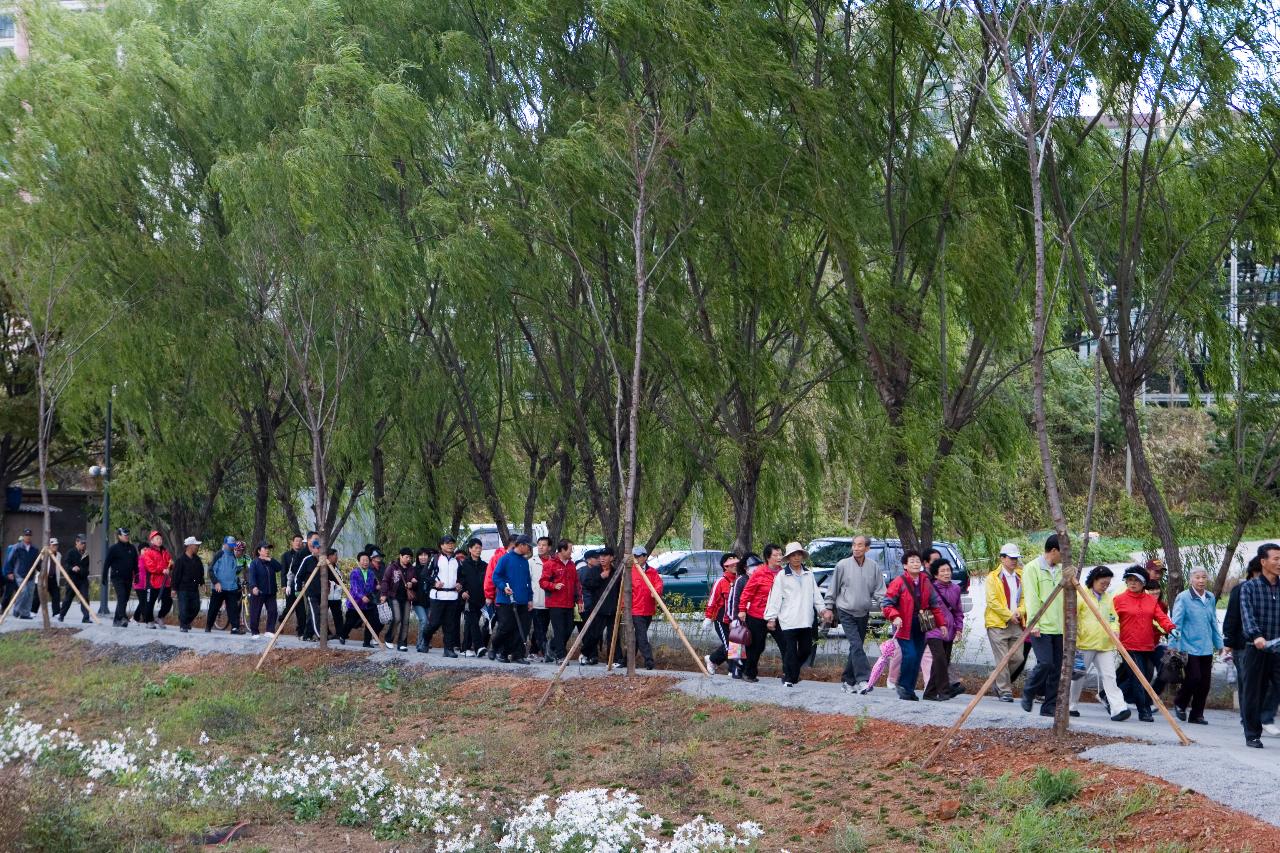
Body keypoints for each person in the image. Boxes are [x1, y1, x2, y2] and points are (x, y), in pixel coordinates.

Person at [882, 550, 948, 701]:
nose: (915, 564)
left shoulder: (925, 581)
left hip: (921, 625)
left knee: (917, 657)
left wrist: (941, 624)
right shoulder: (899, 582)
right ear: (905, 565)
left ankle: (909, 690)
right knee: (910, 655)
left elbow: (934, 605)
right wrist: (895, 616)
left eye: (917, 561)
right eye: (911, 561)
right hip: (903, 625)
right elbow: (886, 604)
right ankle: (904, 685)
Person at [1113, 565, 1175, 723]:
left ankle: (1110, 697)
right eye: (1130, 580)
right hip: (1128, 645)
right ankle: (1144, 710)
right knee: (1138, 677)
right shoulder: (1119, 600)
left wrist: (1171, 628)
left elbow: (1161, 617)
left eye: (1136, 580)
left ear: (1143, 583)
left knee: (1145, 676)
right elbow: (1110, 619)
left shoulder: (1150, 600)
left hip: (1147, 645)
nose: (1132, 583)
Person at [1067, 566, 1130, 721]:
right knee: (1078, 676)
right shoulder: (1081, 595)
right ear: (1094, 580)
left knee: (1110, 676)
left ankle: (1118, 708)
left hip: (1105, 644)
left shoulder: (1108, 598)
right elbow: (1071, 617)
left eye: (1108, 584)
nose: (1105, 586)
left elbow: (1113, 617)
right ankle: (1070, 705)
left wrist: (1115, 629)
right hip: (1084, 644)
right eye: (1103, 583)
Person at [824, 535, 885, 694]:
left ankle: (847, 681)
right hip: (845, 611)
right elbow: (833, 588)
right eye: (854, 545)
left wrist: (884, 606)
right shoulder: (842, 565)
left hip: (863, 612)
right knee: (857, 645)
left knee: (855, 647)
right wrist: (829, 607)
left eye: (860, 545)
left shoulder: (874, 567)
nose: (856, 548)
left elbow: (880, 591)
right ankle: (864, 679)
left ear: (867, 548)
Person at [764, 543, 830, 687]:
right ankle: (789, 678)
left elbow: (816, 596)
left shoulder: (808, 574)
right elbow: (775, 597)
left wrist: (822, 610)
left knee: (806, 650)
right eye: (793, 555)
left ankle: (791, 673)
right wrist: (771, 618)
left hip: (806, 619)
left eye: (799, 554)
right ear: (788, 558)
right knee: (791, 652)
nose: (796, 557)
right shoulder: (782, 575)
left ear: (802, 556)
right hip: (788, 620)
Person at [1238, 543, 1280, 748]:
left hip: (1278, 649)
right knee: (1253, 692)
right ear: (1263, 562)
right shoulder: (1249, 588)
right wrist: (1256, 636)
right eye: (1276, 559)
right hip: (1257, 649)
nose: (1279, 563)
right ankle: (1253, 734)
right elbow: (1247, 615)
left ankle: (1267, 716)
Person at [1169, 567, 1221, 725]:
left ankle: (1197, 714)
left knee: (1205, 683)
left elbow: (1213, 622)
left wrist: (1219, 644)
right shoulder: (1184, 597)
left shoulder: (1210, 597)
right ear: (1191, 579)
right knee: (1194, 677)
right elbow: (1176, 623)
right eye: (1197, 577)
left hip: (1206, 647)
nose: (1201, 581)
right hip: (1188, 646)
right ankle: (1180, 702)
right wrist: (1173, 645)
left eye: (1204, 577)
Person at [1020, 535, 1065, 717]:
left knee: (1056, 669)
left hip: (1059, 627)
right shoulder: (1032, 568)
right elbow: (1031, 598)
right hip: (1041, 626)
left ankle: (1049, 706)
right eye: (1062, 552)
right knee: (1045, 663)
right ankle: (1029, 691)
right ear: (1053, 551)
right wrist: (1034, 623)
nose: (1064, 556)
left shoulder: (1062, 570)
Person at [1224, 556, 1267, 731]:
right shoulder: (1241, 590)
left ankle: (1258, 716)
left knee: (1264, 683)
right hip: (1243, 646)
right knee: (1247, 683)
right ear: (1256, 571)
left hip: (1267, 646)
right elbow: (1231, 618)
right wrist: (1229, 643)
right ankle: (1248, 720)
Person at [985, 543, 1026, 702]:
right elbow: (993, 602)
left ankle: (995, 678)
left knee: (1018, 658)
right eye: (1011, 558)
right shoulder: (992, 578)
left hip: (1016, 623)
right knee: (1003, 659)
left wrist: (1020, 611)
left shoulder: (1021, 576)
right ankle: (1004, 691)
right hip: (997, 624)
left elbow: (1025, 598)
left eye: (1016, 558)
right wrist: (1009, 615)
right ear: (1002, 558)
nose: (1014, 561)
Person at [739, 544, 784, 683]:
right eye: (775, 555)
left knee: (785, 644)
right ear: (767, 558)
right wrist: (742, 610)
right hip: (757, 615)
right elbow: (747, 592)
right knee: (757, 646)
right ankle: (749, 673)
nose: (779, 558)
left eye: (780, 555)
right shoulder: (759, 572)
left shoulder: (783, 573)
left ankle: (790, 673)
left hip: (776, 616)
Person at [923, 557, 965, 701]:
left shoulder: (956, 588)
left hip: (950, 630)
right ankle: (945, 691)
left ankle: (929, 693)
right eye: (943, 571)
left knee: (942, 661)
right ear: (935, 574)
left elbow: (958, 611)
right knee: (939, 658)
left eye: (948, 570)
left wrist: (959, 628)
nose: (947, 573)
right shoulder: (929, 589)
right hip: (933, 629)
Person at [490, 534, 534, 664]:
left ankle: (517, 654)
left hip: (523, 600)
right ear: (521, 545)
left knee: (522, 628)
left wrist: (530, 598)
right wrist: (504, 587)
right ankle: (496, 648)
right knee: (506, 627)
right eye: (528, 546)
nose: (530, 549)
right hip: (506, 600)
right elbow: (496, 576)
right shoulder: (505, 559)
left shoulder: (525, 561)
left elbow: (527, 581)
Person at [422, 536, 462, 656]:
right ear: (441, 545)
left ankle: (448, 649)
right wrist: (434, 583)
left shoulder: (457, 560)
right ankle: (426, 639)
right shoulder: (435, 558)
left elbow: (462, 576)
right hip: (438, 596)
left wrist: (460, 584)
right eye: (447, 543)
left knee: (450, 624)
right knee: (434, 623)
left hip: (452, 596)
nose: (450, 545)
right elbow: (424, 574)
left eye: (452, 543)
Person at [704, 554, 744, 676]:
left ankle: (712, 660)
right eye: (731, 565)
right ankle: (733, 671)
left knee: (736, 645)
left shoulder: (740, 580)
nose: (735, 566)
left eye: (736, 564)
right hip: (722, 620)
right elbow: (712, 600)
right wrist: (708, 617)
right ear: (725, 567)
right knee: (730, 647)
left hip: (736, 620)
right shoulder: (720, 582)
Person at [540, 538, 578, 664]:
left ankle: (551, 646)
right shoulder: (550, 564)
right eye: (570, 549)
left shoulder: (572, 564)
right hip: (555, 603)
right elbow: (543, 582)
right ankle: (560, 656)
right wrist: (553, 586)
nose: (571, 552)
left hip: (569, 603)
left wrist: (579, 600)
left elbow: (577, 583)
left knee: (568, 630)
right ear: (562, 550)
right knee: (559, 630)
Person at [579, 546, 619, 665]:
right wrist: (600, 578)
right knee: (594, 634)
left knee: (613, 635)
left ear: (611, 557)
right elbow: (586, 584)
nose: (602, 558)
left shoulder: (616, 571)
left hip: (612, 608)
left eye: (605, 556)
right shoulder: (594, 570)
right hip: (598, 608)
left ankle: (614, 660)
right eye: (600, 556)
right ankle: (585, 653)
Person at [627, 545, 664, 670]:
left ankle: (628, 659)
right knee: (642, 635)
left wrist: (656, 591)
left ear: (645, 557)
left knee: (639, 636)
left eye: (638, 556)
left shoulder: (652, 572)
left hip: (648, 609)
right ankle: (649, 661)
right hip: (636, 609)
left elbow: (659, 583)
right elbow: (625, 591)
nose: (636, 558)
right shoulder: (630, 571)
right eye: (634, 556)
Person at [339, 551, 382, 648]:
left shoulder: (371, 573)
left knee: (371, 621)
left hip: (368, 603)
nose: (365, 562)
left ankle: (366, 642)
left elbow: (371, 587)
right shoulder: (355, 572)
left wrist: (377, 587)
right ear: (359, 561)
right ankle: (342, 635)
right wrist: (362, 596)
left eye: (367, 560)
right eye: (363, 560)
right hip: (356, 602)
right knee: (351, 622)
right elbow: (355, 588)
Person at [206, 536, 244, 634]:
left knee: (233, 608)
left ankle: (235, 628)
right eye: (231, 545)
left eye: (233, 545)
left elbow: (235, 570)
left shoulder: (234, 556)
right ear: (225, 544)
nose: (232, 547)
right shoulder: (219, 554)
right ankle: (209, 626)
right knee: (214, 608)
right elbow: (211, 570)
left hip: (232, 587)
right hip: (219, 588)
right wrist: (216, 582)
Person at [379, 548, 412, 652]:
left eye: (410, 557)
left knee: (405, 621)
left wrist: (413, 583)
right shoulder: (392, 567)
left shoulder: (411, 568)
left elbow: (415, 581)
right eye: (406, 557)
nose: (408, 559)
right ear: (400, 556)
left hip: (406, 597)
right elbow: (385, 581)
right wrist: (383, 594)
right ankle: (389, 639)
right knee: (397, 618)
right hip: (394, 596)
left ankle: (402, 643)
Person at [136, 531, 171, 628]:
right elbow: (150, 566)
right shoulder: (148, 553)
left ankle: (160, 616)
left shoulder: (165, 552)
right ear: (152, 541)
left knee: (168, 601)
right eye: (157, 539)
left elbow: (170, 562)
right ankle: (149, 620)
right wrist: (162, 570)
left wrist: (171, 566)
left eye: (160, 538)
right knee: (149, 603)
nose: (159, 540)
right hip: (152, 582)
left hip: (165, 582)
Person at [458, 538, 487, 656]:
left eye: (480, 548)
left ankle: (465, 648)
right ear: (470, 549)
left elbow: (488, 582)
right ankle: (479, 647)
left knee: (470, 624)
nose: (478, 550)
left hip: (481, 599)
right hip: (468, 599)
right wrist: (462, 592)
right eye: (475, 548)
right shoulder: (464, 564)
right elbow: (459, 581)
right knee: (474, 622)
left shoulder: (485, 565)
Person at [104, 528, 138, 628]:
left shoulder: (132, 548)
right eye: (124, 535)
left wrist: (137, 576)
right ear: (119, 536)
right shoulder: (114, 548)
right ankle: (123, 617)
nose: (126, 536)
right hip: (117, 577)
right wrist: (104, 576)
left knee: (124, 599)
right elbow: (107, 563)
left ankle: (116, 619)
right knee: (122, 596)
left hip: (128, 577)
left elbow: (135, 564)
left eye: (128, 535)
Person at [247, 542, 281, 639]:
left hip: (271, 592)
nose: (267, 550)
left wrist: (270, 559)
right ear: (259, 551)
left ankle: (269, 630)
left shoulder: (270, 562)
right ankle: (254, 632)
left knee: (273, 611)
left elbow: (279, 567)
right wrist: (253, 587)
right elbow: (252, 576)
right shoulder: (254, 563)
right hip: (259, 592)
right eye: (265, 548)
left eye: (268, 549)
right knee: (255, 612)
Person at [171, 536, 205, 632]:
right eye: (196, 545)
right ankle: (183, 625)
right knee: (184, 607)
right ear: (189, 546)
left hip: (194, 588)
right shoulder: (180, 560)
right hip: (183, 589)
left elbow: (200, 572)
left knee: (196, 607)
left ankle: (185, 621)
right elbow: (175, 575)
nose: (197, 547)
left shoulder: (197, 560)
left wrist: (202, 584)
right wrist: (174, 589)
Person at [56, 534, 92, 623]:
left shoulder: (86, 554)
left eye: (84, 543)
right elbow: (66, 565)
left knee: (85, 597)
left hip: (82, 580)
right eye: (82, 543)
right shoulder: (71, 552)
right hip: (72, 579)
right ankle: (61, 615)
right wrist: (73, 568)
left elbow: (87, 570)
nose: (83, 545)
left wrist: (80, 570)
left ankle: (86, 617)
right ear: (77, 542)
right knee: (68, 598)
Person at [3, 529, 38, 619]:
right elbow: (9, 560)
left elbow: (37, 563)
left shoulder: (34, 549)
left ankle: (25, 614)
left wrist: (41, 569)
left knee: (30, 594)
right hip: (19, 574)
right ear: (23, 536)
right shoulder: (17, 548)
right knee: (23, 592)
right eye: (26, 535)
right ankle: (17, 610)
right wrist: (9, 572)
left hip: (31, 575)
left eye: (29, 535)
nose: (28, 537)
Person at [281, 534, 310, 639]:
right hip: (290, 585)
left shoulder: (305, 554)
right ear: (292, 542)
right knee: (289, 608)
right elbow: (284, 571)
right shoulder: (286, 555)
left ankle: (301, 631)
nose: (298, 543)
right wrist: (284, 585)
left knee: (301, 609)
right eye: (296, 541)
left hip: (301, 585)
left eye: (300, 541)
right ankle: (281, 620)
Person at [528, 536, 552, 659]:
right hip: (535, 600)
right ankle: (545, 651)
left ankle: (533, 650)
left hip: (549, 601)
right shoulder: (531, 562)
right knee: (538, 627)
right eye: (539, 545)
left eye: (544, 545)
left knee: (543, 627)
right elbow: (527, 581)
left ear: (549, 547)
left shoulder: (552, 562)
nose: (541, 547)